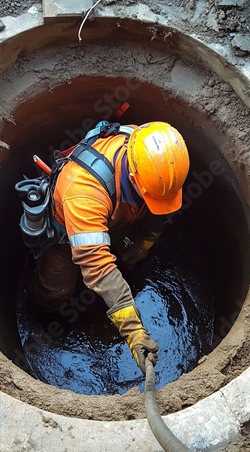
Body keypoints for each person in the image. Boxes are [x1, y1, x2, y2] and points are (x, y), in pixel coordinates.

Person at [27, 121, 190, 373]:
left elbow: (161, 207)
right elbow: (98, 266)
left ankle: (117, 279)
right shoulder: (83, 192)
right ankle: (39, 318)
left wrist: (145, 242)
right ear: (133, 178)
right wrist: (133, 331)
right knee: (57, 290)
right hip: (64, 230)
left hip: (115, 211)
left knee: (126, 254)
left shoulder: (150, 156)